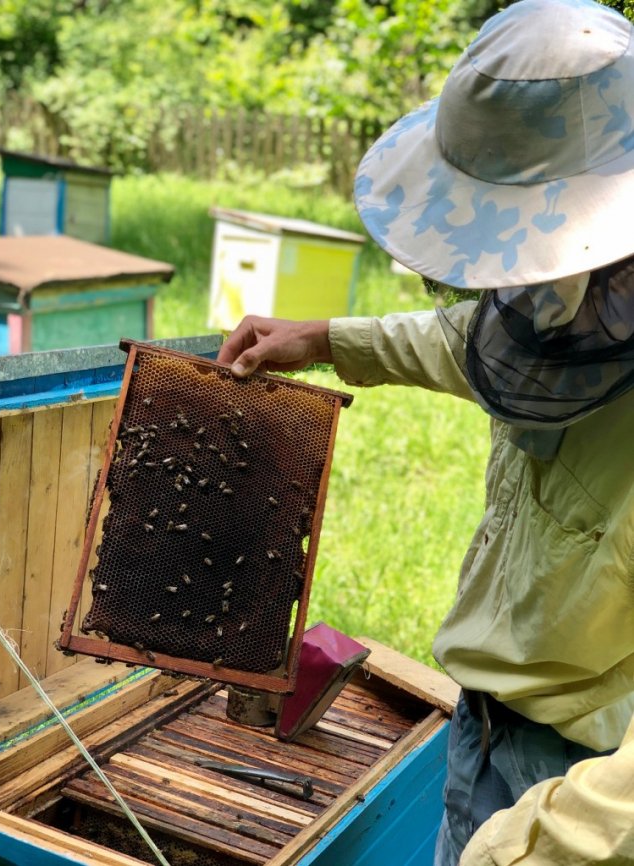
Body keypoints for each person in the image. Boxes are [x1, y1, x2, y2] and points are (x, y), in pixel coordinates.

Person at [217, 0, 634, 862]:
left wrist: (523, 846)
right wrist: (328, 339)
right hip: (484, 721)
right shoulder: (567, 319)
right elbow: (493, 349)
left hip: (590, 796)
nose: (519, 300)